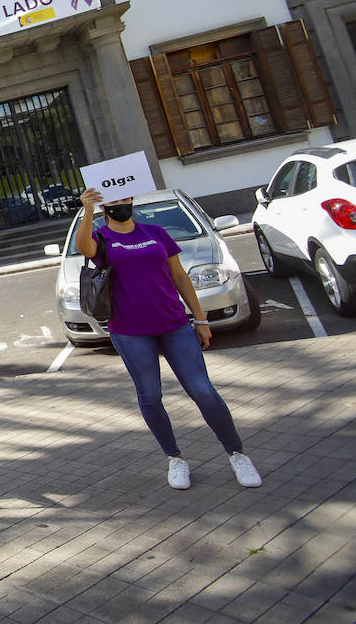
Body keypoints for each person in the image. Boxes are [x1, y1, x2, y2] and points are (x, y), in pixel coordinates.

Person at [77, 188, 262, 490]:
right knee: (150, 395)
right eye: (114, 203)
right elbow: (83, 247)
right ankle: (175, 458)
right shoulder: (102, 238)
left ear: (132, 201)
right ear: (104, 209)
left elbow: (179, 277)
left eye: (125, 200)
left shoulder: (156, 233)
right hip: (130, 330)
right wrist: (87, 210)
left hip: (174, 324)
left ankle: (237, 453)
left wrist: (200, 318)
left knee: (203, 391)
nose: (121, 206)